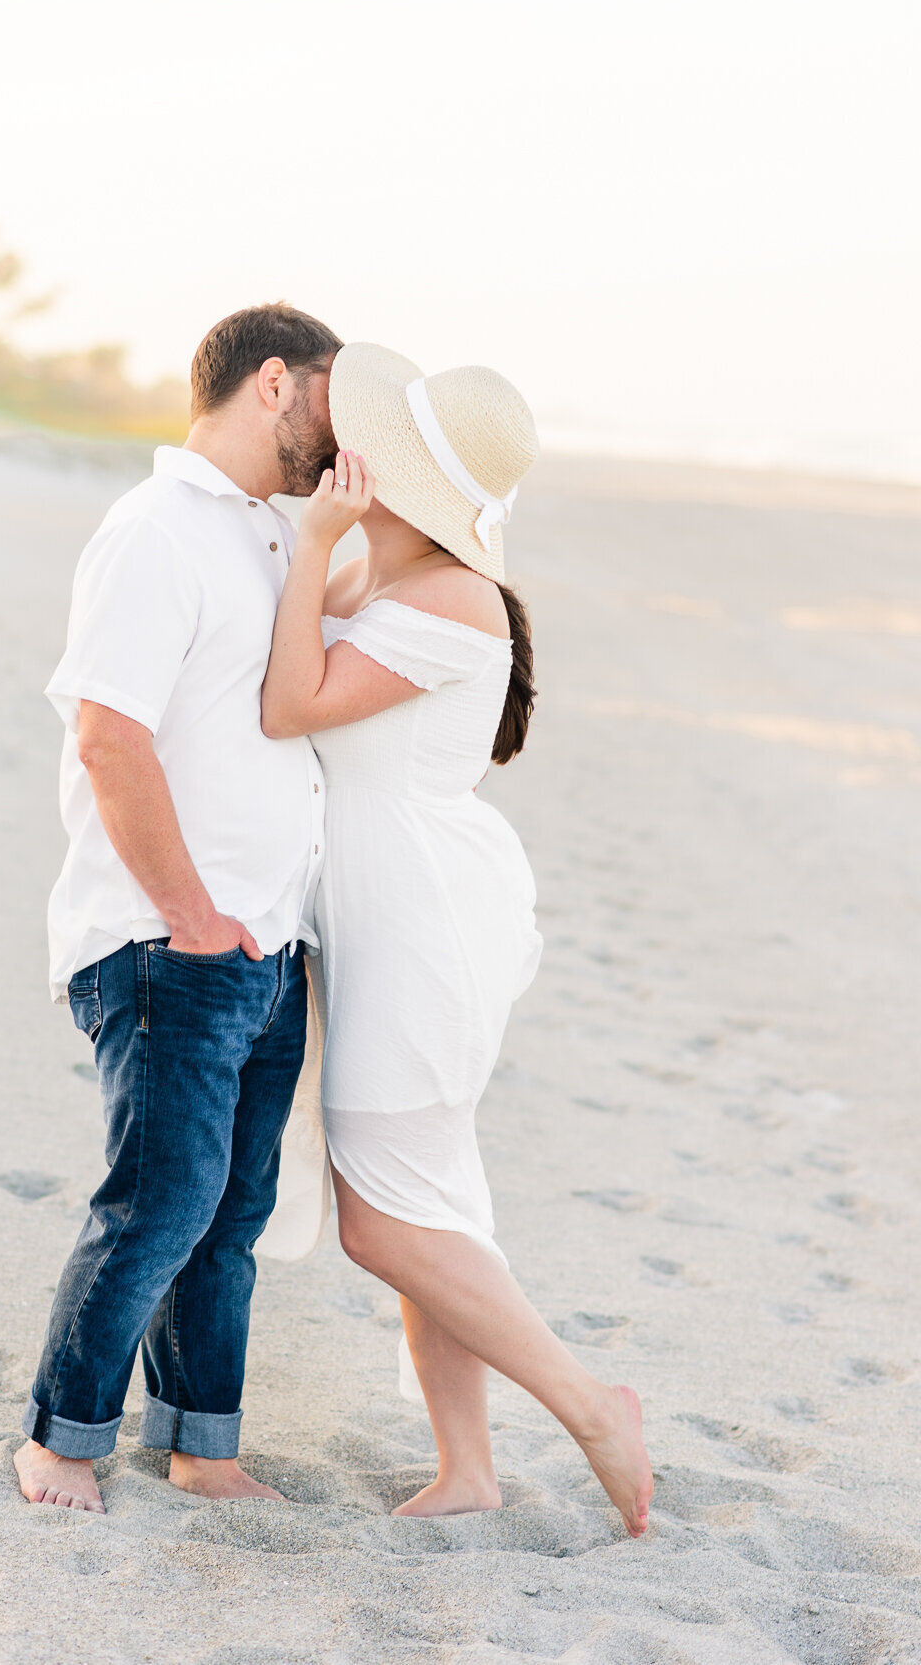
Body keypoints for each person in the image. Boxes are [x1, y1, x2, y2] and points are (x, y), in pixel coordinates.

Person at [260, 343, 653, 1538]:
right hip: (392, 905)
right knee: (429, 1201)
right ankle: (467, 1469)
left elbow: (288, 702)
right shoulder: (398, 573)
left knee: (387, 1217)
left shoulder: (450, 599)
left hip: (420, 919)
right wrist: (325, 549)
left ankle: (592, 1407)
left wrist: (319, 546)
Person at [14, 303, 341, 1514]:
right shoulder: (155, 529)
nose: (336, 427)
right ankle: (62, 1438)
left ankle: (202, 1444)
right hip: (172, 940)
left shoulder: (267, 536)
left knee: (232, 1213)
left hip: (264, 940)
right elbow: (109, 735)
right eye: (332, 395)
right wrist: (190, 912)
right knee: (162, 1201)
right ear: (273, 385)